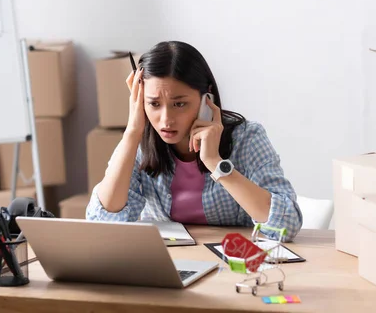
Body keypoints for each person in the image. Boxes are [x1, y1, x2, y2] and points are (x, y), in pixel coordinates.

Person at [86, 41, 303, 241]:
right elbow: (103, 225)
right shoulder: (140, 143)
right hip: (169, 268)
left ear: (206, 98)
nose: (166, 120)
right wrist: (132, 133)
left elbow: (286, 224)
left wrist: (216, 163)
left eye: (179, 104)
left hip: (236, 267)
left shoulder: (247, 138)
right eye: (153, 104)